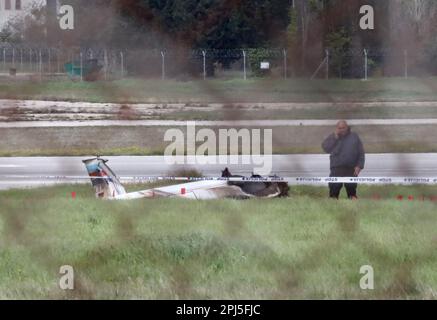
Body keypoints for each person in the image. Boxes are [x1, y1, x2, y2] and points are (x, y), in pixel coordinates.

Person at [322, 120, 365, 199]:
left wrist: (359, 166)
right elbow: (325, 148)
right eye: (339, 128)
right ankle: (333, 205)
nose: (341, 130)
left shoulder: (354, 136)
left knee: (352, 192)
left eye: (343, 128)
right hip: (336, 169)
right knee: (333, 192)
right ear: (336, 128)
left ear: (347, 127)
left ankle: (353, 205)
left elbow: (361, 153)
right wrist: (334, 137)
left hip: (351, 169)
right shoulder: (333, 136)